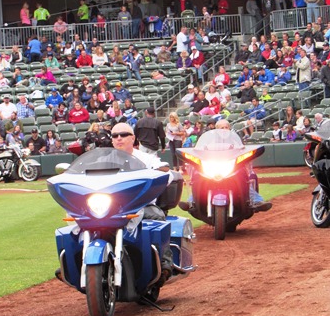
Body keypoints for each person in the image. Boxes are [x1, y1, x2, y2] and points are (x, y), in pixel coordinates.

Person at [111, 122, 173, 285]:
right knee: (78, 220)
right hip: (109, 208)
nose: (119, 138)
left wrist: (154, 174)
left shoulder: (146, 158)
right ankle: (72, 262)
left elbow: (166, 172)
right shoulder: (104, 160)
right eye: (115, 136)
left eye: (123, 135)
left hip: (140, 205)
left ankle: (165, 263)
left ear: (133, 138)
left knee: (158, 217)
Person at [179, 118, 272, 213]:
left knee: (245, 179)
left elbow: (243, 150)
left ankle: (257, 201)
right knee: (198, 178)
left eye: (226, 127)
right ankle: (191, 201)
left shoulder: (235, 139)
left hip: (233, 167)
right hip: (213, 167)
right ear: (216, 129)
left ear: (229, 128)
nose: (224, 129)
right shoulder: (210, 141)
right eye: (221, 127)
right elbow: (201, 151)